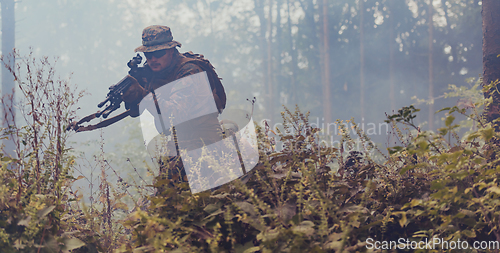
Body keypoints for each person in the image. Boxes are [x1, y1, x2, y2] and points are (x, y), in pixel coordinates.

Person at [122, 25, 227, 187]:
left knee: (205, 189)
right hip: (178, 139)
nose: (152, 60)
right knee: (167, 190)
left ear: (171, 50)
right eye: (148, 55)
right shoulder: (153, 72)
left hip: (204, 138)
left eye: (158, 53)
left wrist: (143, 94)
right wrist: (132, 95)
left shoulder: (190, 71)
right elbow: (135, 112)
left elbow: (175, 112)